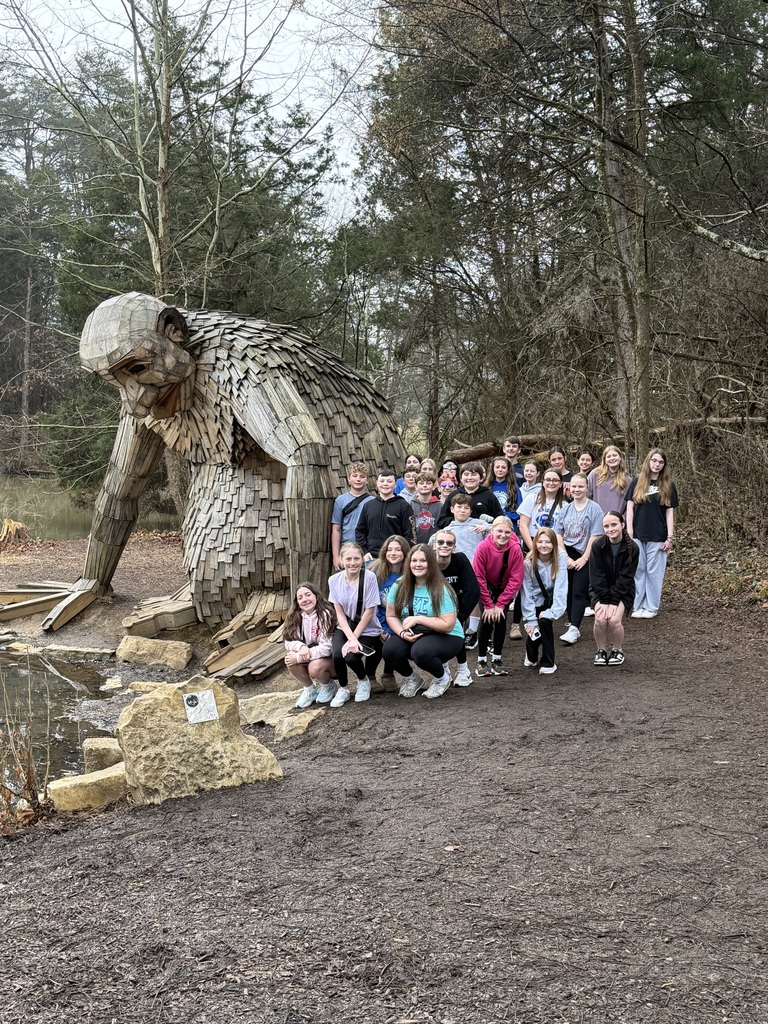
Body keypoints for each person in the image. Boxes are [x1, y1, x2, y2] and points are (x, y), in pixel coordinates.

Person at [384, 544, 465, 699]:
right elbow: (391, 616)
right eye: (414, 560)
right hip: (416, 632)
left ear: (431, 563)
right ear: (409, 563)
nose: (418, 564)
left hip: (448, 635)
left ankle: (442, 679)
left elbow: (448, 624)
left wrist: (418, 618)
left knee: (420, 652)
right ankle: (412, 679)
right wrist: (401, 633)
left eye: (423, 560)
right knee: (390, 650)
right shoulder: (400, 585)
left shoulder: (441, 588)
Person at [328, 542, 383, 706]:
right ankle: (343, 688)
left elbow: (369, 611)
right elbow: (339, 613)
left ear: (362, 559)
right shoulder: (334, 580)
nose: (353, 563)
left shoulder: (369, 578)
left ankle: (363, 680)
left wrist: (354, 640)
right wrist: (350, 637)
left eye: (357, 558)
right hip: (346, 625)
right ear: (342, 560)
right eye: (349, 559)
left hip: (367, 628)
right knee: (337, 654)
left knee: (351, 656)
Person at [626, 448, 678, 618]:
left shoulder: (668, 485)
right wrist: (629, 532)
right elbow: (630, 508)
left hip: (658, 535)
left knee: (654, 572)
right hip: (638, 535)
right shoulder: (637, 482)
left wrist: (670, 537)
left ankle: (651, 607)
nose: (657, 464)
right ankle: (638, 604)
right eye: (654, 461)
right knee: (639, 570)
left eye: (660, 462)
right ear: (648, 461)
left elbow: (669, 512)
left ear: (664, 465)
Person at [472, 516, 525, 676]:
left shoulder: (515, 548)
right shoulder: (483, 547)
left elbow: (517, 578)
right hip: (486, 585)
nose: (503, 535)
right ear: (492, 531)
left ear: (512, 532)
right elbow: (478, 576)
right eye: (499, 531)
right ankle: (481, 660)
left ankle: (497, 659)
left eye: (507, 532)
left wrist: (501, 604)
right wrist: (488, 605)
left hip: (504, 587)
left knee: (501, 618)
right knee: (487, 618)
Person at [556, 473, 604, 645]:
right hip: (566, 553)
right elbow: (558, 533)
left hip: (586, 554)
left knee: (578, 590)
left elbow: (596, 535)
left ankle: (575, 627)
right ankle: (572, 623)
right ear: (569, 488)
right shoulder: (565, 509)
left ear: (586, 488)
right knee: (567, 590)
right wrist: (566, 557)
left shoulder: (594, 509)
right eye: (574, 487)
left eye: (580, 486)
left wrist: (584, 558)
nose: (577, 490)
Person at [589, 511, 639, 665]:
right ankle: (601, 650)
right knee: (600, 619)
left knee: (614, 620)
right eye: (606, 526)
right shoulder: (598, 545)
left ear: (622, 525)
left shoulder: (633, 548)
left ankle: (617, 650)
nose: (610, 529)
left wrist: (614, 600)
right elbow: (596, 574)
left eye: (614, 524)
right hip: (600, 589)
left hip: (623, 591)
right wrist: (604, 599)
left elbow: (626, 577)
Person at [433, 529, 481, 687]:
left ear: (454, 547)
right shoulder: (428, 562)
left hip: (457, 606)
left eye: (449, 543)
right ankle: (444, 668)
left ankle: (463, 670)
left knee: (456, 629)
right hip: (434, 606)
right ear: (434, 545)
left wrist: (460, 616)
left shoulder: (460, 560)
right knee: (437, 635)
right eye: (440, 542)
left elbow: (473, 590)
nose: (444, 546)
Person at [521, 527, 568, 675]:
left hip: (551, 600)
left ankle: (548, 661)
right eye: (540, 541)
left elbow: (561, 585)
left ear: (554, 543)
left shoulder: (560, 556)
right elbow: (526, 593)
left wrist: (554, 612)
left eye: (548, 542)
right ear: (535, 544)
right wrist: (530, 619)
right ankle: (531, 654)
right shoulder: (528, 563)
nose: (544, 545)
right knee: (535, 633)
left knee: (545, 623)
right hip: (534, 601)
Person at [283, 583, 337, 707]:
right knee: (289, 659)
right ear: (297, 602)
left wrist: (300, 657)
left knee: (314, 667)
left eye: (308, 595)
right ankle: (310, 689)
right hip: (308, 653)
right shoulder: (295, 617)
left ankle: (328, 685)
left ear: (316, 596)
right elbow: (287, 641)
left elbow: (327, 648)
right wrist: (300, 647)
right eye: (300, 597)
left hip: (328, 659)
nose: (305, 599)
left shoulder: (325, 614)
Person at [355, 468, 416, 560]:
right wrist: (364, 551)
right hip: (371, 557)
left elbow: (410, 535)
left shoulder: (404, 506)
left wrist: (404, 555)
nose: (385, 484)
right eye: (382, 481)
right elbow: (360, 531)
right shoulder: (368, 506)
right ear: (377, 483)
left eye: (389, 481)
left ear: (395, 484)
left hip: (395, 557)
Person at [331, 462, 373, 570]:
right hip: (346, 549)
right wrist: (336, 556)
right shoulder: (340, 501)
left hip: (367, 551)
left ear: (367, 480)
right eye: (354, 476)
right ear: (349, 479)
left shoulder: (373, 502)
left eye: (362, 476)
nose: (358, 479)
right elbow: (336, 529)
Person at [437, 461, 500, 527]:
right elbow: (442, 520)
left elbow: (499, 519)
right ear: (461, 478)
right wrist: (458, 521)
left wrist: (487, 524)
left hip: (482, 535)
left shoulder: (488, 495)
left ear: (481, 478)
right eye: (466, 474)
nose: (470, 478)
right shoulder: (453, 495)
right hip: (458, 535)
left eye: (474, 474)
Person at [517, 468, 567, 552]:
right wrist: (533, 550)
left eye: (555, 480)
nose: (551, 483)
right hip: (532, 541)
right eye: (548, 480)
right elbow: (523, 526)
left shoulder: (565, 506)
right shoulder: (532, 499)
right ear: (543, 482)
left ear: (561, 484)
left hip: (552, 545)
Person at [371, 535, 411, 637]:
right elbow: (374, 606)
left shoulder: (411, 573)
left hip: (405, 624)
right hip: (380, 624)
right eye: (389, 550)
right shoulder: (375, 572)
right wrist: (384, 629)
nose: (393, 553)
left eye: (398, 550)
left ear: (405, 552)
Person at [587, 445, 630, 516]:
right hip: (596, 519)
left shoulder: (628, 480)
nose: (612, 458)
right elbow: (586, 496)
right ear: (605, 460)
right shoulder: (595, 474)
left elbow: (629, 506)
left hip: (617, 522)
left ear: (620, 458)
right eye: (608, 456)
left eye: (614, 455)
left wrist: (622, 519)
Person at [485, 456, 522, 527]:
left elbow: (520, 510)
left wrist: (506, 516)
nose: (500, 469)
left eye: (503, 467)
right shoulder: (487, 487)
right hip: (490, 525)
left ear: (508, 470)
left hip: (508, 525)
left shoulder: (514, 488)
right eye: (497, 467)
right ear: (493, 469)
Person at [407, 472, 443, 543]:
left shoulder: (440, 506)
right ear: (416, 486)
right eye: (421, 483)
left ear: (433, 486)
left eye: (428, 483)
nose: (425, 485)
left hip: (434, 546)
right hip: (415, 546)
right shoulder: (410, 505)